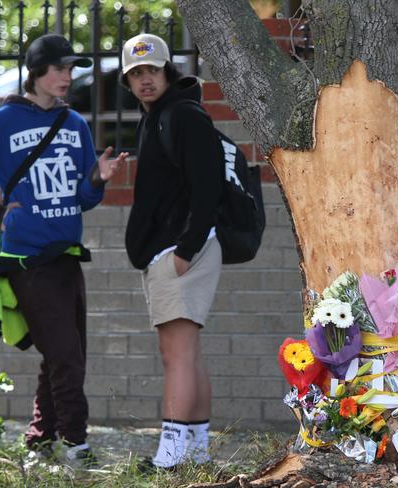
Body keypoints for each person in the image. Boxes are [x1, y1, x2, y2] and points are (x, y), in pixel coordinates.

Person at [0, 33, 128, 468]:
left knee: (61, 355)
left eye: (70, 69)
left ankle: (40, 442)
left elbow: (82, 198)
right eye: (59, 69)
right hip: (27, 261)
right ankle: (78, 448)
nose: (67, 77)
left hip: (67, 256)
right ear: (36, 73)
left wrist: (97, 177)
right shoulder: (2, 123)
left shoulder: (75, 124)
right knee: (66, 356)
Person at [121, 33, 224, 470]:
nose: (145, 80)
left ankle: (172, 456)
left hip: (183, 251)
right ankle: (195, 451)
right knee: (188, 353)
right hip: (179, 249)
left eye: (152, 70)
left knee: (176, 354)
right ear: (128, 81)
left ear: (168, 71)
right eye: (136, 74)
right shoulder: (158, 117)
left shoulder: (182, 115)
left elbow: (209, 187)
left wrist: (185, 249)